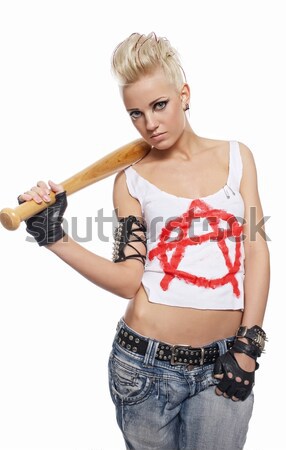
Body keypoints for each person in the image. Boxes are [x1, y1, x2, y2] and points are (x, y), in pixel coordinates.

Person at [18, 32, 270, 450]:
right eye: (135, 113)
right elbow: (126, 280)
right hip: (143, 370)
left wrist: (249, 344)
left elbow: (256, 248)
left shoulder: (237, 157)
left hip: (224, 364)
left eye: (159, 105)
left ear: (184, 95)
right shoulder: (130, 181)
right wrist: (54, 237)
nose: (149, 123)